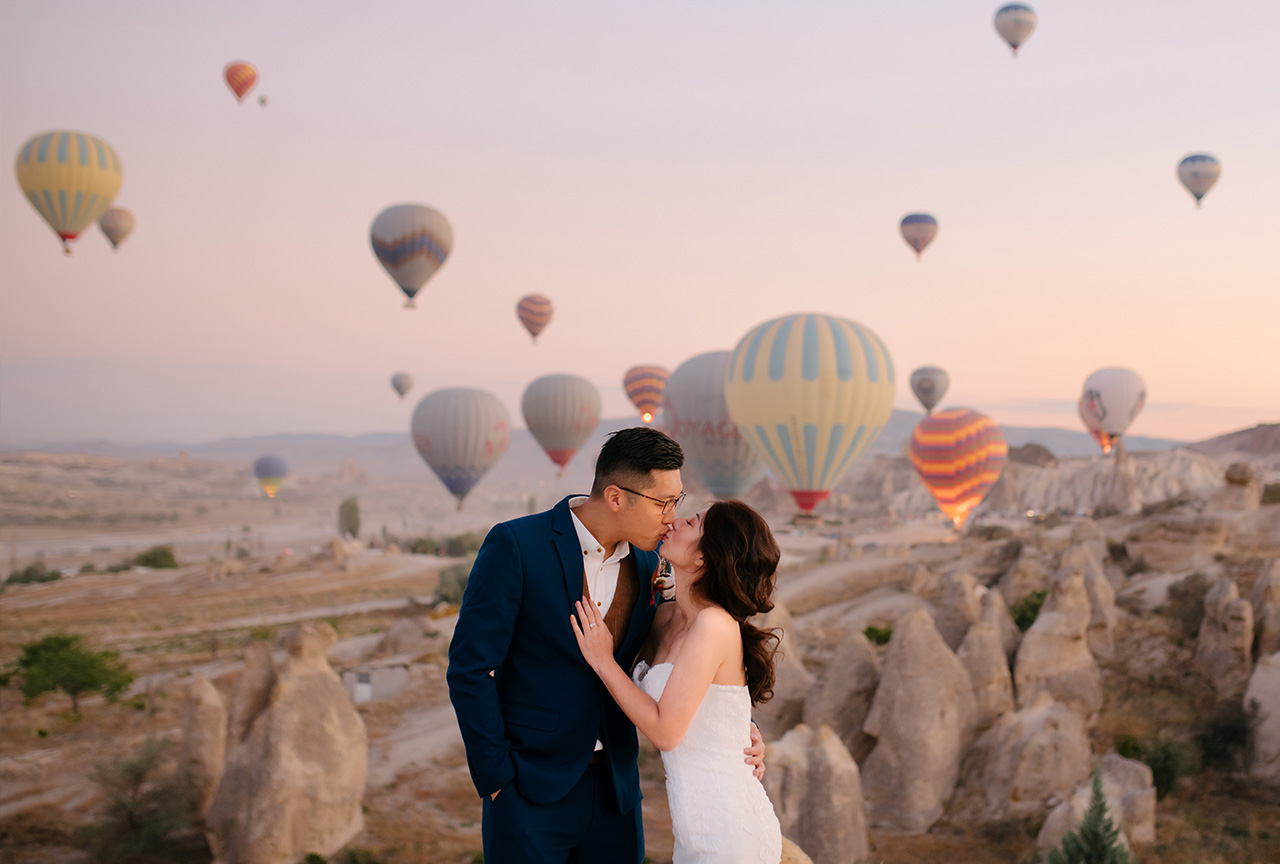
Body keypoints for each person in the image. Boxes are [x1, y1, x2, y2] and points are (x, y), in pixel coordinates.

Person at [447, 428, 765, 863]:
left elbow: (688, 649)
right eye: (663, 503)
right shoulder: (518, 546)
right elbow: (469, 669)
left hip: (617, 795)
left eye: (678, 501)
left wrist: (739, 729)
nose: (672, 517)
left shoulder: (652, 561)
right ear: (616, 497)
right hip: (528, 790)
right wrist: (497, 777)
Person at [572, 499, 783, 863]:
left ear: (703, 557)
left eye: (694, 522)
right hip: (692, 829)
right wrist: (742, 726)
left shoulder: (714, 625)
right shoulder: (666, 617)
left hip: (731, 831)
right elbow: (708, 702)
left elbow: (667, 731)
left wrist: (603, 661)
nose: (678, 520)